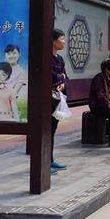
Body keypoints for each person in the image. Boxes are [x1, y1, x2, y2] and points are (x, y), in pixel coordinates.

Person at [89, 59, 110, 147]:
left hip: (106, 102)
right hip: (97, 105)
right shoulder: (99, 78)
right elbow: (100, 95)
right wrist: (109, 105)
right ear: (107, 69)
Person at [51, 29, 68, 175]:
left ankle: (49, 160)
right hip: (48, 99)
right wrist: (59, 78)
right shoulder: (46, 57)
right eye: (62, 39)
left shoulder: (60, 59)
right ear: (54, 40)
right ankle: (44, 161)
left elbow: (63, 76)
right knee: (46, 130)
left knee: (53, 129)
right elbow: (55, 76)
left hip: (57, 97)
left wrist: (61, 81)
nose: (63, 42)